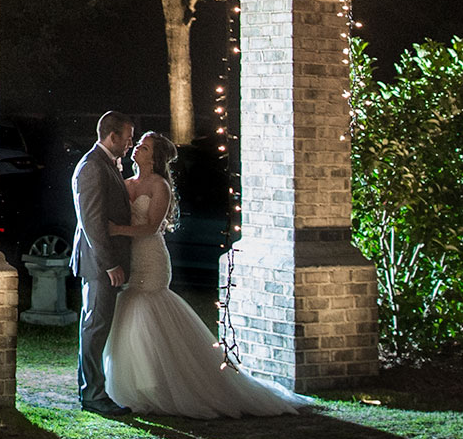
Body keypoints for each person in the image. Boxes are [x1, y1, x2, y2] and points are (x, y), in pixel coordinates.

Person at [103, 131, 314, 418]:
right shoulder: (126, 183)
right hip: (132, 259)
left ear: (155, 157)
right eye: (138, 143)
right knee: (130, 315)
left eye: (145, 146)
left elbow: (151, 227)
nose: (138, 147)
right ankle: (140, 385)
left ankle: (166, 387)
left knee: (148, 311)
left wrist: (118, 230)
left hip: (151, 258)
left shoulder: (159, 186)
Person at [70, 110, 135, 415]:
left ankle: (94, 390)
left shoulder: (105, 164)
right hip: (99, 265)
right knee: (94, 328)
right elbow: (93, 222)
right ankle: (93, 395)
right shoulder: (93, 167)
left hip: (102, 264)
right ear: (113, 136)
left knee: (96, 326)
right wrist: (110, 265)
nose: (130, 143)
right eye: (128, 136)